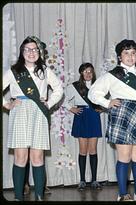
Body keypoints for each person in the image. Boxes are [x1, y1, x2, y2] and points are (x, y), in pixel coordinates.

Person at [88, 39, 136, 201]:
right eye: (126, 53)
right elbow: (93, 93)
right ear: (119, 56)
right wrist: (107, 103)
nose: (130, 56)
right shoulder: (112, 75)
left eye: (133, 53)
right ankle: (123, 194)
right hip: (122, 114)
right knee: (124, 156)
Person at [2, 36, 63, 201]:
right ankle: (17, 197)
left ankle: (39, 196)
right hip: (20, 112)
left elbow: (58, 89)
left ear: (40, 52)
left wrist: (48, 103)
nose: (31, 52)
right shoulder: (14, 71)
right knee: (21, 157)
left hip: (39, 113)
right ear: (22, 52)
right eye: (27, 49)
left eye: (34, 49)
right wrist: (6, 104)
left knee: (38, 157)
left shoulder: (45, 71)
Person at [63, 62, 103, 190]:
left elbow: (106, 100)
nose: (88, 74)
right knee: (83, 150)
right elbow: (63, 99)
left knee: (93, 150)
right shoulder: (74, 86)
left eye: (90, 71)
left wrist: (102, 108)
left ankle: (95, 180)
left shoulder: (98, 85)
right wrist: (71, 109)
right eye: (85, 71)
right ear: (81, 73)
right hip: (81, 115)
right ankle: (82, 180)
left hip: (93, 116)